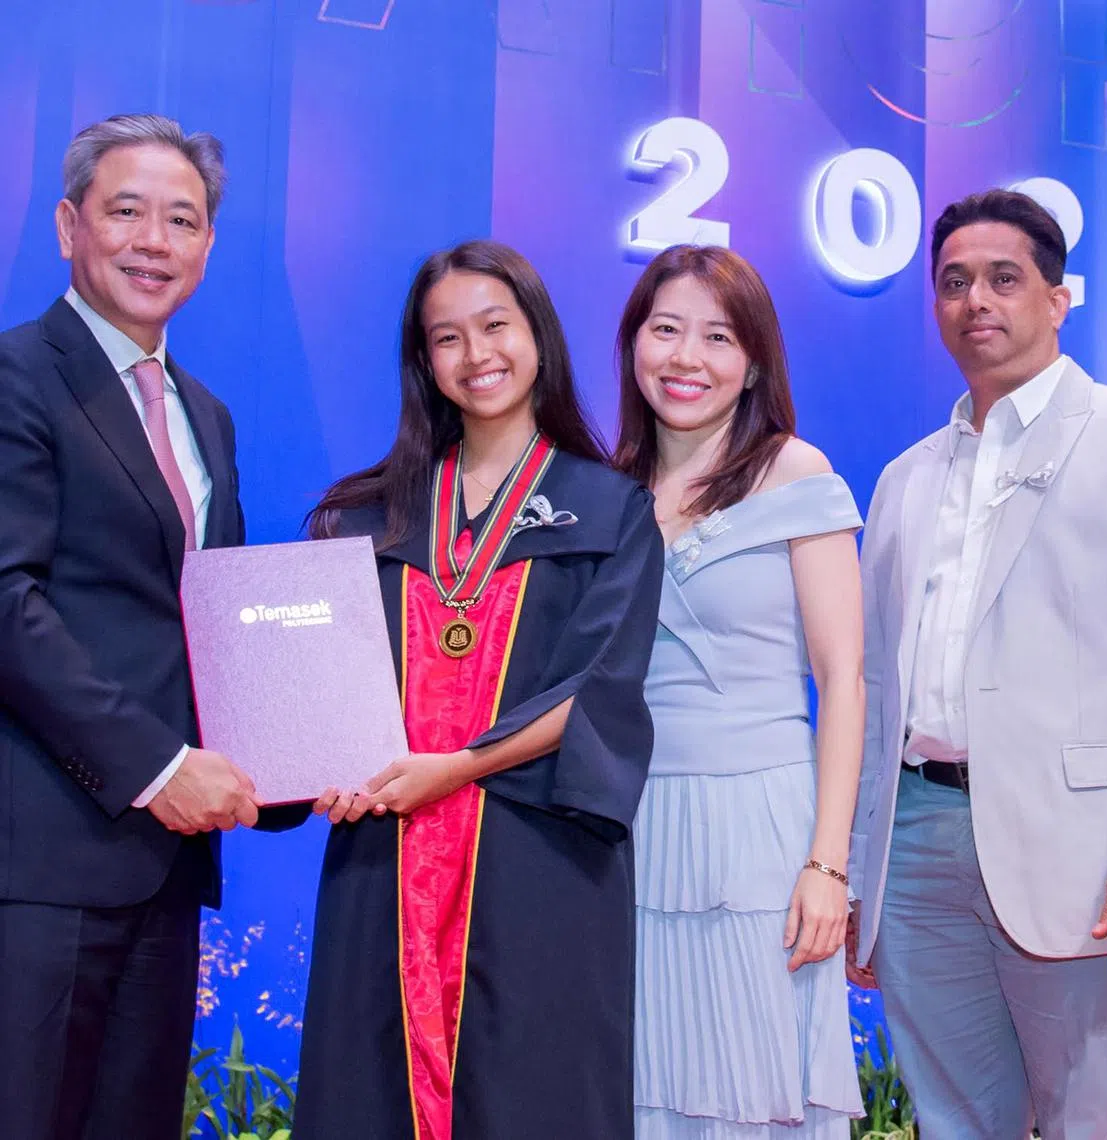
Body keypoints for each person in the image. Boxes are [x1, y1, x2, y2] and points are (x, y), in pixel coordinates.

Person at [289, 239, 663, 1139]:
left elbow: (601, 688)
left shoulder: (610, 509)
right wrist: (316, 762)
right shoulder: (365, 514)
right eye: (446, 337)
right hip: (382, 855)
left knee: (532, 1088)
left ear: (537, 335)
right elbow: (320, 691)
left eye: (496, 325)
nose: (477, 354)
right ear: (425, 361)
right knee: (369, 1087)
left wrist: (452, 768)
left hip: (538, 855)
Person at [851, 188, 1107, 1139]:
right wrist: (862, 870)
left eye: (1004, 278)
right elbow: (874, 690)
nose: (977, 299)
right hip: (919, 846)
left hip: (1083, 849)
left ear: (1059, 299)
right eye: (954, 282)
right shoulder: (904, 477)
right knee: (954, 1121)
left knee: (1098, 1117)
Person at [0, 114, 257, 1140]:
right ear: (69, 226)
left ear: (206, 248)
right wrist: (159, 766)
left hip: (166, 866)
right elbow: (8, 602)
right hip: (42, 861)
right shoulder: (18, 376)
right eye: (126, 211)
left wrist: (287, 762)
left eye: (182, 220)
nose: (154, 240)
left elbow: (212, 621)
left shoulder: (207, 412)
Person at [614, 244, 864, 1138]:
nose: (687, 358)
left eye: (718, 337)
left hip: (762, 825)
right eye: (666, 329)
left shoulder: (797, 473)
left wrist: (828, 864)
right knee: (647, 1083)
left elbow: (844, 681)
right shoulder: (604, 490)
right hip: (635, 824)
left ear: (754, 358)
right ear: (633, 343)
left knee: (757, 1087)